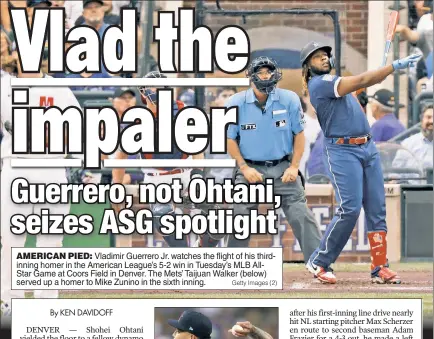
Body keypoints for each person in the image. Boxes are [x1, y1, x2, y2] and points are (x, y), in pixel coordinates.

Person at [300, 40, 421, 284]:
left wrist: (371, 79)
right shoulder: (318, 84)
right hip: (342, 150)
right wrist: (390, 68)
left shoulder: (335, 82)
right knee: (350, 208)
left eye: (325, 54)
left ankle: (380, 267)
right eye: (316, 56)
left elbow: (360, 85)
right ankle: (320, 261)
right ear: (308, 66)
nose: (323, 58)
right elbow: (363, 80)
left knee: (377, 208)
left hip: (367, 146)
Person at [1, 62, 81, 315]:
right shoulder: (4, 85)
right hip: (16, 164)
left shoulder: (59, 88)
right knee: (13, 238)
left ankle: (46, 303)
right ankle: (10, 303)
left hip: (51, 165)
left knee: (50, 238)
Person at [226, 56, 322, 262]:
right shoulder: (235, 102)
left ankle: (320, 263)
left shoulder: (289, 99)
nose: (265, 75)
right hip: (249, 168)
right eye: (260, 72)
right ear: (251, 76)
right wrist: (243, 168)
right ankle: (232, 264)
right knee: (240, 216)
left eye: (268, 71)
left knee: (301, 214)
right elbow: (230, 139)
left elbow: (299, 135)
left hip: (282, 167)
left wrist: (294, 167)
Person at [112, 71, 208, 248]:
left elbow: (197, 148)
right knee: (162, 215)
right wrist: (116, 186)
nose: (158, 90)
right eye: (153, 86)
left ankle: (202, 249)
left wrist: (197, 175)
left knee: (210, 211)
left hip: (185, 173)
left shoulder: (182, 111)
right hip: (156, 177)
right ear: (143, 91)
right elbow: (121, 156)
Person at [393, 104, 433, 169]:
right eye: (428, 117)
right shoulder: (407, 144)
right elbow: (396, 172)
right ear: (421, 120)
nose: (432, 121)